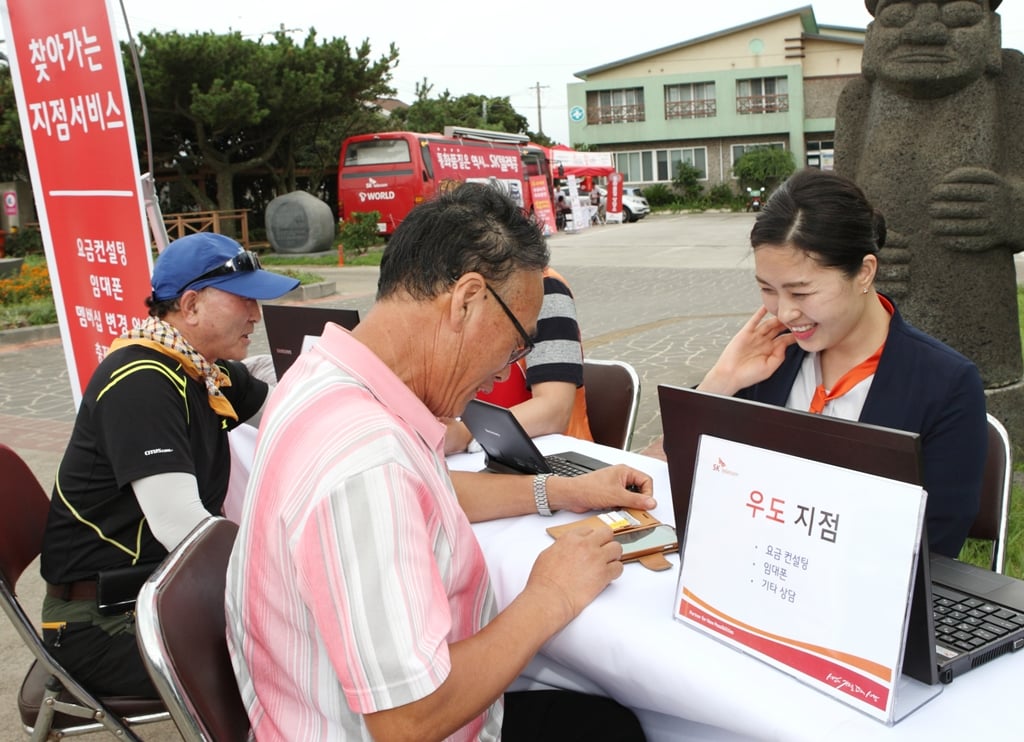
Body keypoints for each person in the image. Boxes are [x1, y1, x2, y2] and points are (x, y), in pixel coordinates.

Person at [226, 183, 654, 741]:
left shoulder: (324, 376)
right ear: (467, 300)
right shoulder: (365, 458)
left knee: (596, 718)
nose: (505, 373)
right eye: (515, 344)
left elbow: (425, 493)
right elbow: (409, 719)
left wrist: (561, 492)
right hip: (392, 722)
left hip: (306, 707)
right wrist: (552, 594)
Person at [39, 232, 298, 698]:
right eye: (244, 300)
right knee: (300, 657)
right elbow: (184, 529)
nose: (256, 316)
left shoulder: (200, 369)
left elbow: (293, 416)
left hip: (155, 594)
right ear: (192, 305)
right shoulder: (142, 382)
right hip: (104, 623)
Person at [696, 169, 986, 558]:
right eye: (767, 289)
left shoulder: (945, 384)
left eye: (802, 291)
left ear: (864, 271)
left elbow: (936, 548)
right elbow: (675, 471)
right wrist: (722, 380)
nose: (784, 312)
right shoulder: (770, 360)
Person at [444, 266, 592, 454]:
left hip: (551, 455)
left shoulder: (542, 290)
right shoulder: (453, 289)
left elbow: (555, 409)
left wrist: (466, 433)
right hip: (482, 454)